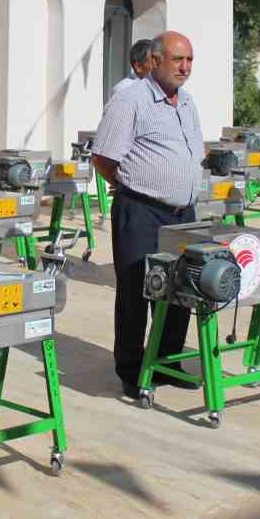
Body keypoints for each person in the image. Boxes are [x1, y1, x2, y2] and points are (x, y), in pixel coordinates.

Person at [91, 32, 206, 399]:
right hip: (141, 210)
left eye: (189, 60)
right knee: (136, 290)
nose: (185, 67)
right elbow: (104, 157)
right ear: (155, 61)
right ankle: (132, 369)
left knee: (181, 289)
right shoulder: (131, 99)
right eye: (178, 60)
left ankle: (167, 362)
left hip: (182, 213)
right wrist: (133, 186)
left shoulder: (187, 102)